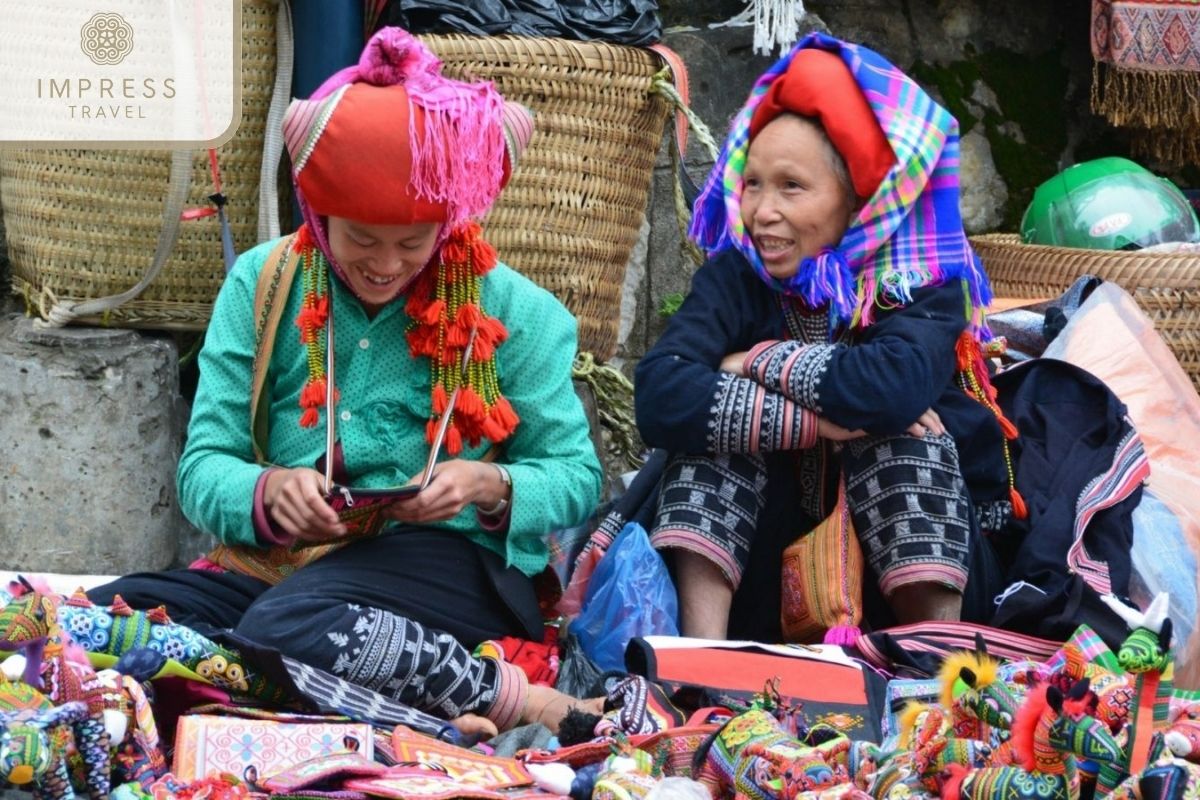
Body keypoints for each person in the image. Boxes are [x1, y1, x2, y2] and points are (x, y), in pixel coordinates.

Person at [87, 28, 603, 736]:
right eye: (361, 239)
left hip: (446, 567)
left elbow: (577, 477)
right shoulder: (263, 286)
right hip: (285, 566)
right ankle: (387, 704)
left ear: (448, 222)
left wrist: (490, 486)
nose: (386, 264)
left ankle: (505, 697)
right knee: (95, 623)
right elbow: (204, 467)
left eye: (412, 242)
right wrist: (266, 492)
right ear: (318, 216)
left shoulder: (520, 312)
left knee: (287, 622)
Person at [634, 33, 1014, 642]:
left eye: (792, 187)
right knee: (714, 438)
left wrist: (758, 359)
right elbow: (659, 393)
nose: (761, 212)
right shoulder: (738, 272)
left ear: (856, 200)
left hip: (903, 592)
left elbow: (891, 389)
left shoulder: (916, 278)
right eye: (752, 183)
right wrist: (815, 421)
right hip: (764, 575)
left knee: (899, 435)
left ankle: (932, 664)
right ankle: (698, 660)